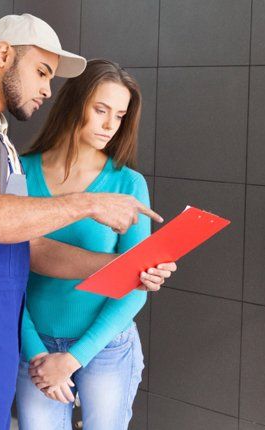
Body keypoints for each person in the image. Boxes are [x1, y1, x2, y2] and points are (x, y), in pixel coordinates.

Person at [0, 14, 167, 430]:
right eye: (41, 72)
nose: (46, 89)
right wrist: (89, 204)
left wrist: (129, 267)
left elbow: (30, 248)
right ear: (4, 54)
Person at [16, 60, 176, 430]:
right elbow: (7, 276)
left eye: (119, 115)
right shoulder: (20, 174)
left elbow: (135, 288)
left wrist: (72, 359)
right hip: (34, 345)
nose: (109, 125)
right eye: (100, 110)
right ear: (74, 104)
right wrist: (37, 353)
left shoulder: (128, 184)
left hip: (107, 345)